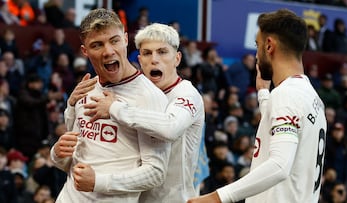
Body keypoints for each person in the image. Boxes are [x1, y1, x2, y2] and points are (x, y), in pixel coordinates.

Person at [187, 9, 327, 203]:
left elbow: (279, 165)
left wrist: (217, 197)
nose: (256, 54)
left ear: (269, 45)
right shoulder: (312, 97)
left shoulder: (287, 95)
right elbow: (283, 130)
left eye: (257, 44)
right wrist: (263, 94)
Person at [67, 22, 205, 202]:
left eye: (162, 52)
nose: (154, 59)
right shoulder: (133, 94)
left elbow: (171, 128)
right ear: (140, 60)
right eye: (147, 53)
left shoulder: (186, 93)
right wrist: (71, 106)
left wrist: (114, 108)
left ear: (177, 58)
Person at [50, 8, 171, 202]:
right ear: (85, 51)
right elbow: (73, 159)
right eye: (97, 45)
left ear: (125, 39)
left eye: (114, 41)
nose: (108, 51)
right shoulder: (84, 89)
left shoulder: (150, 97)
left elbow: (156, 173)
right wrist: (57, 154)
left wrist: (99, 182)